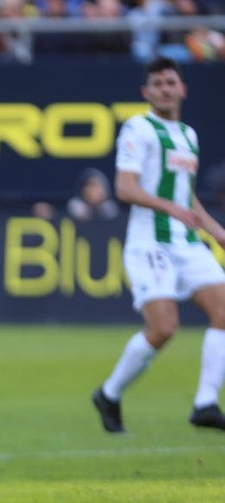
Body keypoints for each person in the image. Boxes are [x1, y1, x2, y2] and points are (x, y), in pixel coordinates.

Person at [92, 56, 225, 433]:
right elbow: (125, 187)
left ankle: (205, 403)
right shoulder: (139, 128)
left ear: (182, 89)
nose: (165, 89)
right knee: (164, 328)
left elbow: (186, 195)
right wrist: (170, 207)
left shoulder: (189, 135)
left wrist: (215, 229)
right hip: (150, 243)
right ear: (146, 92)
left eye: (171, 82)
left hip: (187, 242)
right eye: (158, 84)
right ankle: (109, 393)